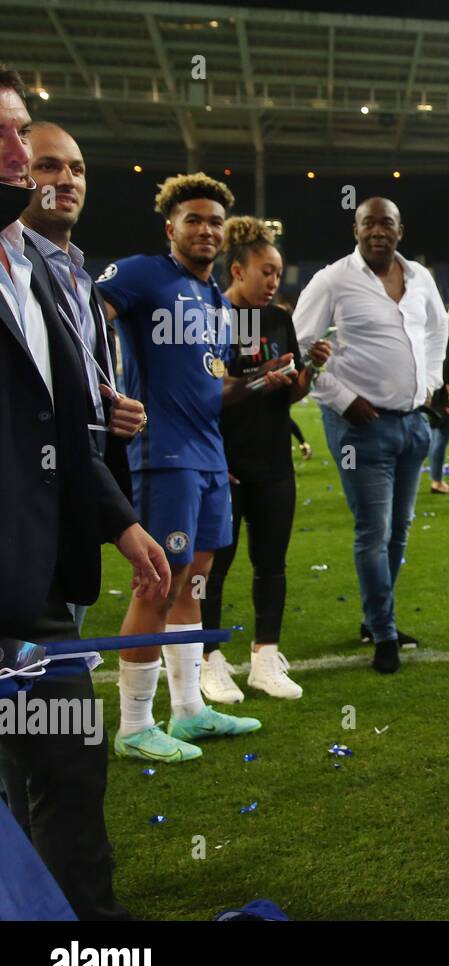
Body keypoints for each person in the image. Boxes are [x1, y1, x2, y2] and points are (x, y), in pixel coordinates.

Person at [0, 65, 170, 918]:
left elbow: (59, 426)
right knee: (41, 776)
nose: (26, 158)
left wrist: (120, 520)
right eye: (13, 142)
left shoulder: (38, 277)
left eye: (23, 134)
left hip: (38, 577)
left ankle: (76, 930)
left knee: (60, 763)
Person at [97, 172, 264, 761]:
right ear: (171, 228)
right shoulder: (143, 273)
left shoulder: (217, 299)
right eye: (193, 219)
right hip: (161, 455)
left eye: (215, 222)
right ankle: (135, 725)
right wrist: (105, 390)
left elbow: (207, 389)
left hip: (209, 459)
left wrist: (258, 383)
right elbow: (85, 317)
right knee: (157, 583)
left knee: (194, 580)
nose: (205, 230)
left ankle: (189, 710)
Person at [293, 197, 448, 674]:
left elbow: (438, 333)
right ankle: (383, 633)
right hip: (360, 428)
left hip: (411, 424)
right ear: (355, 229)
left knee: (398, 531)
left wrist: (430, 387)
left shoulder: (420, 276)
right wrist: (341, 397)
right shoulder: (333, 279)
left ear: (400, 230)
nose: (377, 231)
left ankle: (375, 618)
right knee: (373, 532)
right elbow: (298, 347)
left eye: (386, 223)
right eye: (368, 223)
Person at [199, 217, 331, 702]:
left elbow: (290, 394)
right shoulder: (213, 316)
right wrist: (260, 379)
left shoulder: (278, 320)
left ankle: (264, 658)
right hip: (224, 464)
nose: (274, 282)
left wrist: (310, 367)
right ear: (237, 269)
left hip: (274, 461)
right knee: (215, 566)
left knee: (270, 563)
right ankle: (208, 661)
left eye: (277, 273)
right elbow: (210, 394)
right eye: (265, 272)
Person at [18, 120, 145, 569]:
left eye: (78, 169)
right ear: (19, 172)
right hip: (24, 506)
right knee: (29, 638)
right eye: (48, 166)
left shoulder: (83, 280)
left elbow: (67, 391)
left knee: (66, 633)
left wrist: (108, 411)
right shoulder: (12, 270)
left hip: (79, 499)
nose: (67, 180)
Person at [425, 295, 449, 494]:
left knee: (435, 438)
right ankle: (437, 481)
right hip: (445, 396)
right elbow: (448, 372)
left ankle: (436, 479)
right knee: (440, 439)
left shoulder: (445, 334)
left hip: (438, 393)